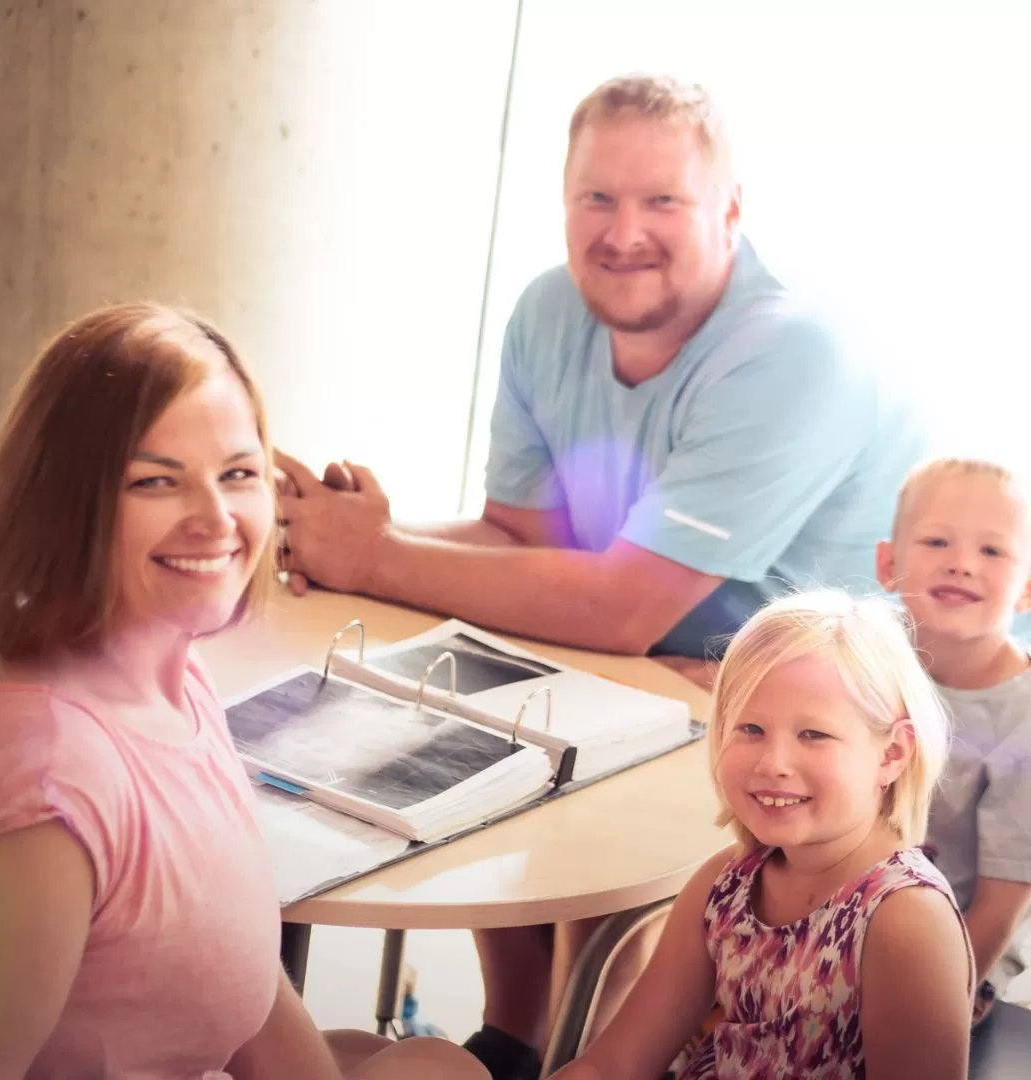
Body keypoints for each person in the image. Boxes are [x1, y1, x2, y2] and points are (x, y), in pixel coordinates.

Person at [275, 73, 926, 1077]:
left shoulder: (793, 352)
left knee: (577, 764)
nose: (625, 232)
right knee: (497, 688)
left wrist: (375, 555)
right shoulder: (547, 312)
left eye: (663, 199)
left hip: (787, 706)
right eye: (597, 198)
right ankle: (517, 1037)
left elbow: (622, 605)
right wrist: (354, 533)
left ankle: (567, 1036)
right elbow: (526, 547)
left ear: (732, 212)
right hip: (647, 661)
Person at [0, 304, 489, 1080]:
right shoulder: (47, 792)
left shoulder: (169, 663)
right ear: (64, 502)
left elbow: (226, 959)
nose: (216, 519)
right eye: (155, 482)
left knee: (427, 1061)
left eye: (238, 473)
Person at [548, 590, 973, 1080]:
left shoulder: (906, 918)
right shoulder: (723, 884)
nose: (774, 764)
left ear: (892, 754)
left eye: (813, 735)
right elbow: (618, 1061)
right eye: (751, 728)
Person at [877, 457, 1031, 1024]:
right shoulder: (862, 657)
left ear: (1027, 588)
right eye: (937, 541)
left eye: (992, 551)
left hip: (958, 947)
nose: (962, 565)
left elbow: (1002, 903)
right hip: (845, 909)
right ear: (888, 563)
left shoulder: (1024, 727)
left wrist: (934, 1000)